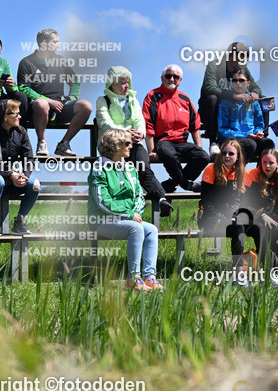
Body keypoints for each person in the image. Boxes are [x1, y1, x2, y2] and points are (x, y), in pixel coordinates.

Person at [88, 129, 163, 293]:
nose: (131, 146)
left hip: (125, 220)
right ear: (115, 146)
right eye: (126, 143)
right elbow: (102, 201)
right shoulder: (99, 168)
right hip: (102, 221)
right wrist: (129, 215)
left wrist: (135, 213)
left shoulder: (130, 168)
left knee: (151, 229)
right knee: (135, 228)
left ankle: (150, 277)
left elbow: (139, 196)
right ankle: (133, 279)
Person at [95, 66, 173, 215]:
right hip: (112, 145)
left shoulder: (133, 100)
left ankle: (161, 199)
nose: (127, 86)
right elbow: (105, 123)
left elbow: (139, 121)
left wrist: (141, 135)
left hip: (133, 144)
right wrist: (125, 133)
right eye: (123, 83)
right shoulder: (102, 100)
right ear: (113, 84)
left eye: (128, 82)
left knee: (143, 166)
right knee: (119, 175)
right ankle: (121, 212)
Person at [196, 140, 267, 287]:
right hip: (210, 217)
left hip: (231, 217)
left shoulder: (240, 171)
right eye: (224, 153)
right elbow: (207, 202)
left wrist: (236, 215)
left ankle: (265, 269)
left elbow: (238, 202)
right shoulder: (211, 169)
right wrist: (225, 217)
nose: (226, 156)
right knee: (239, 228)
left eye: (231, 153)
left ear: (238, 156)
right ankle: (239, 275)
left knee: (258, 228)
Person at [17, 28, 93, 157]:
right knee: (42, 104)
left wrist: (72, 97)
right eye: (56, 42)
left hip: (60, 107)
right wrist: (48, 101)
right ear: (45, 42)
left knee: (86, 106)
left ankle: (64, 144)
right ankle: (41, 143)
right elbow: (23, 88)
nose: (58, 44)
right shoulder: (26, 62)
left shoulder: (61, 61)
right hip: (36, 109)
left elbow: (75, 81)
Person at [142, 64, 210, 193]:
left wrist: (199, 147)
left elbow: (195, 126)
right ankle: (187, 185)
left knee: (203, 157)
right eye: (168, 76)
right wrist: (151, 151)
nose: (172, 79)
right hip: (163, 141)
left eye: (176, 77)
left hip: (182, 142)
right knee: (169, 155)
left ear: (180, 80)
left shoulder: (185, 98)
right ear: (162, 78)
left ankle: (172, 183)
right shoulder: (153, 96)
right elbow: (148, 124)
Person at [0, 99, 39, 236]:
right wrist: (10, 174)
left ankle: (19, 221)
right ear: (5, 116)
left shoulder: (21, 132)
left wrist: (24, 176)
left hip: (13, 181)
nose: (20, 117)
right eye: (16, 114)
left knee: (35, 184)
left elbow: (29, 158)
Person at [200, 40, 262, 155]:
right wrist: (233, 96)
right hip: (211, 110)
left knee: (262, 99)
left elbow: (256, 87)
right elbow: (209, 88)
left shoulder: (241, 67)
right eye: (241, 58)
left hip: (231, 112)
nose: (243, 62)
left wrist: (255, 93)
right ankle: (213, 142)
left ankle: (261, 137)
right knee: (212, 98)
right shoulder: (215, 65)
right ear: (230, 56)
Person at [217, 68, 274, 164]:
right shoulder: (225, 102)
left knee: (268, 143)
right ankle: (237, 174)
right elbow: (223, 130)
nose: (238, 83)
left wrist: (258, 132)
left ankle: (259, 175)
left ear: (248, 83)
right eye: (235, 80)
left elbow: (259, 123)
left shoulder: (254, 102)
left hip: (251, 138)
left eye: (241, 80)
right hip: (231, 139)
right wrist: (246, 135)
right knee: (250, 144)